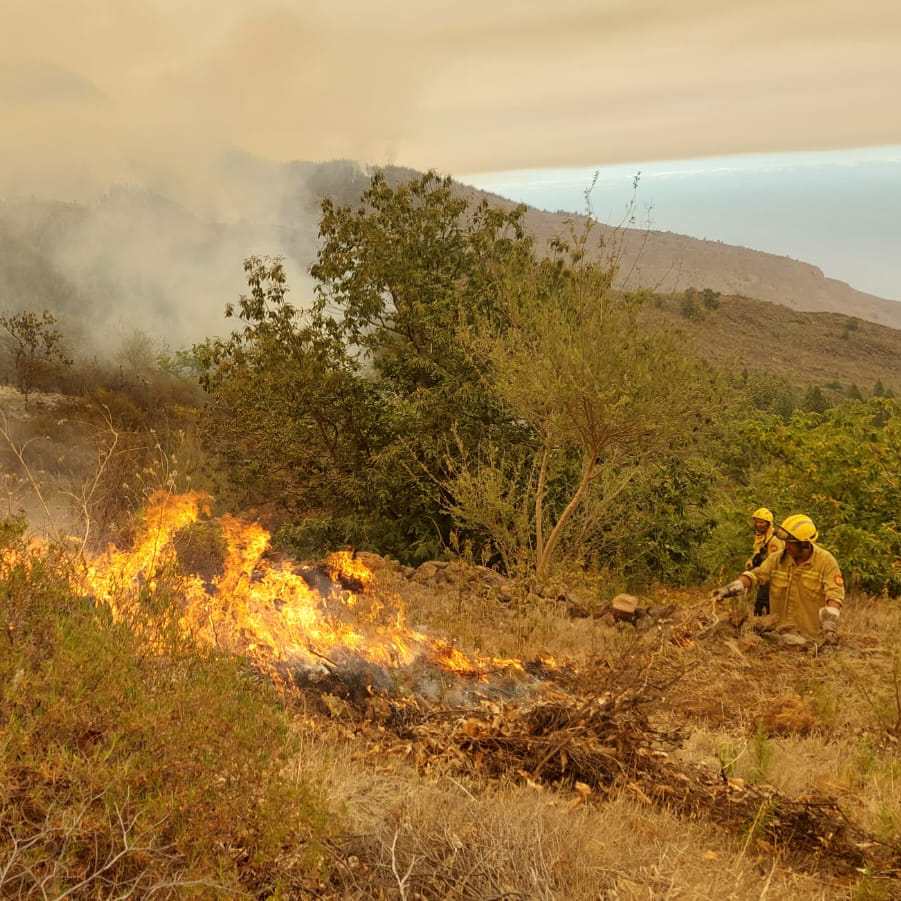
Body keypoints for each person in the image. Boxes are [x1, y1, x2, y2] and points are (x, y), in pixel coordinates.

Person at [712, 514, 844, 644]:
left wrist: (829, 624)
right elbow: (756, 575)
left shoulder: (826, 562)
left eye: (790, 543)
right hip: (778, 638)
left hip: (810, 641)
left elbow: (834, 594)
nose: (786, 546)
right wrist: (730, 588)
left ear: (804, 544)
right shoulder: (777, 558)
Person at [746, 507, 784, 615]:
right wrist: (751, 561)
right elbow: (757, 552)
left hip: (772, 578)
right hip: (763, 575)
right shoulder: (761, 537)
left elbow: (776, 561)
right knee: (761, 604)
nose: (759, 525)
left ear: (768, 523)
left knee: (764, 604)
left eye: (762, 522)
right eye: (757, 522)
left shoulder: (774, 540)